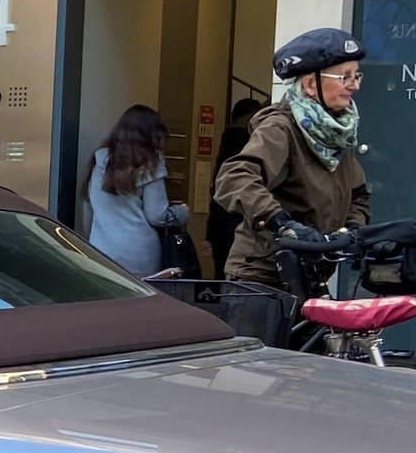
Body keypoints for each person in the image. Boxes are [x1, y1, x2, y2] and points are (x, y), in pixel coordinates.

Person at [214, 28, 370, 287]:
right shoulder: (281, 128)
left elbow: (359, 195)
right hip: (263, 278)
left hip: (311, 273)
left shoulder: (335, 133)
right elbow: (235, 177)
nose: (355, 85)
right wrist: (281, 223)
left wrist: (351, 229)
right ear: (311, 84)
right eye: (345, 77)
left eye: (356, 75)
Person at [80, 104, 189, 276]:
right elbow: (157, 216)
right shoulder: (151, 163)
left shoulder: (100, 162)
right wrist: (182, 212)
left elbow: (88, 212)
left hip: (100, 253)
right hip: (139, 256)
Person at [204, 96, 261, 272]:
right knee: (241, 280)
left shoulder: (227, 140)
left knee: (221, 274)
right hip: (240, 223)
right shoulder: (250, 140)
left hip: (219, 223)